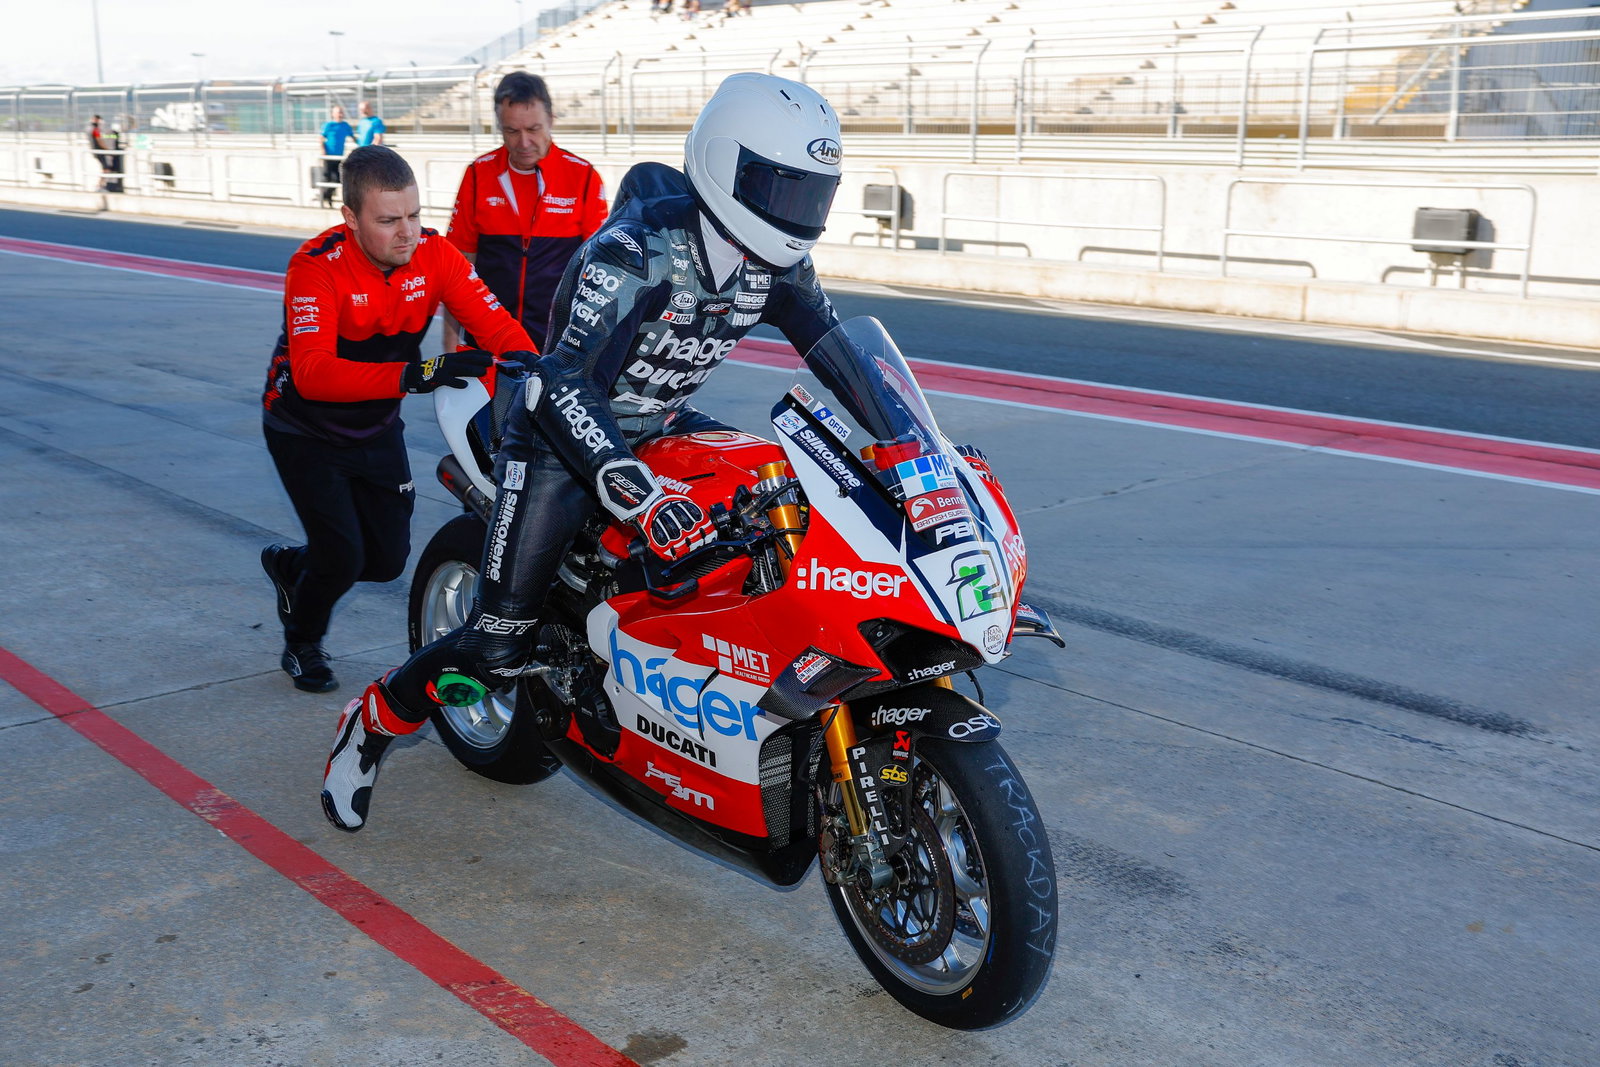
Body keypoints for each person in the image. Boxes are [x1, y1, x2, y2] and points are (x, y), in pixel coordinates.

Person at [321, 72, 845, 832]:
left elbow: (838, 353)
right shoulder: (635, 251)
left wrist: (912, 445)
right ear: (727, 168)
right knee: (498, 644)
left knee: (776, 510)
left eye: (813, 195)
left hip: (662, 421)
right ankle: (369, 724)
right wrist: (629, 484)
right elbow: (562, 378)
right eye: (783, 189)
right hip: (561, 435)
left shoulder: (779, 264)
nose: (800, 214)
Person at [261, 145, 538, 695]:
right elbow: (313, 373)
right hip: (305, 430)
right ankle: (303, 641)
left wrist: (537, 376)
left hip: (375, 424)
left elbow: (501, 330)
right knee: (342, 556)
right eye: (388, 220)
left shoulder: (436, 255)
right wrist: (417, 373)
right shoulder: (315, 265)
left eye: (413, 214)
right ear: (351, 219)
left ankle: (297, 568)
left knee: (386, 561)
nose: (407, 231)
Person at [440, 71, 608, 354]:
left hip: (555, 347)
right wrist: (448, 349)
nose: (524, 143)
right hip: (488, 344)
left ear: (551, 120)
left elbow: (600, 273)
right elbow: (458, 268)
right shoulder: (479, 174)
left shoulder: (583, 177)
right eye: (511, 131)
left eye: (533, 129)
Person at [318, 105, 355, 207]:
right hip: (329, 157)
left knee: (337, 179)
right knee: (327, 178)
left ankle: (327, 196)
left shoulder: (345, 126)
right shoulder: (328, 125)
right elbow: (321, 138)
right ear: (333, 114)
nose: (340, 114)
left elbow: (353, 137)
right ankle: (326, 198)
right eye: (338, 112)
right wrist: (323, 151)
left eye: (341, 112)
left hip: (339, 157)